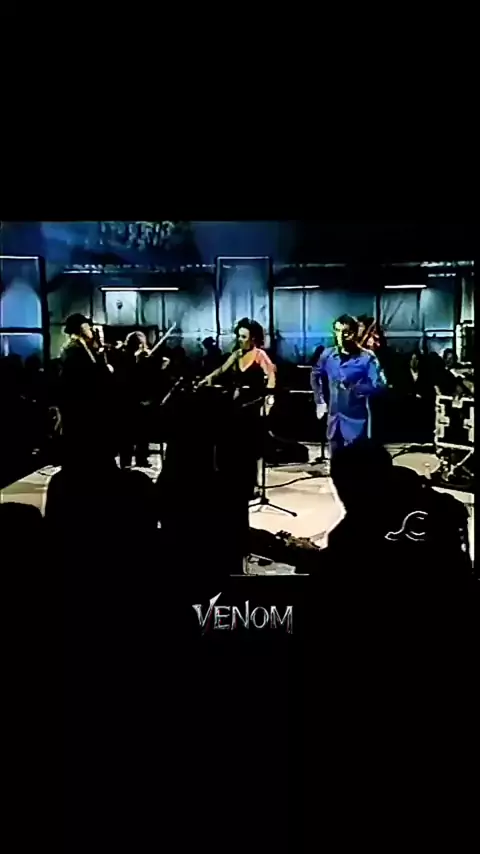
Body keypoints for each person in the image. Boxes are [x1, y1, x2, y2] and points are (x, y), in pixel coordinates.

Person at [198, 317, 276, 499]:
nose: (240, 340)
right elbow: (221, 370)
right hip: (237, 406)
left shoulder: (260, 355)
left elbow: (271, 376)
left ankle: (256, 484)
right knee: (236, 446)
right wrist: (207, 379)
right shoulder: (237, 354)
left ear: (253, 338)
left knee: (254, 447)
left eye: (243, 337)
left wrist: (269, 399)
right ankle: (236, 481)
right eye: (238, 336)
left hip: (253, 405)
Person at [311, 314, 386, 457]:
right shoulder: (328, 355)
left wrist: (356, 389)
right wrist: (319, 401)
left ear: (354, 334)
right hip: (334, 420)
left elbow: (380, 384)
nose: (340, 336)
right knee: (335, 461)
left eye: (345, 332)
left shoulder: (367, 358)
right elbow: (315, 375)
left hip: (356, 422)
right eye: (337, 331)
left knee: (355, 462)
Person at [58, 313, 116, 465]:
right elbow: (88, 374)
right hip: (81, 402)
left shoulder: (79, 346)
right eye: (88, 326)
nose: (91, 329)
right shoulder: (75, 348)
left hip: (80, 401)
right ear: (81, 327)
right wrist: (103, 366)